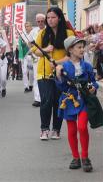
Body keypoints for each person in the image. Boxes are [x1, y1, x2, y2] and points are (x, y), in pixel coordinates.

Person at [55, 36, 99, 172]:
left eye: (83, 47)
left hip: (84, 100)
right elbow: (61, 87)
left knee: (82, 127)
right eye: (79, 47)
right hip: (69, 101)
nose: (82, 49)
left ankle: (85, 157)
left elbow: (93, 81)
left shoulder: (87, 65)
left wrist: (93, 87)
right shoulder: (65, 66)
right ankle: (76, 157)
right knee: (72, 130)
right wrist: (58, 75)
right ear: (70, 50)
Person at [30, 7, 74, 140]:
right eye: (48, 17)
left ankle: (56, 129)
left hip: (62, 73)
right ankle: (44, 129)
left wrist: (58, 62)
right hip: (44, 73)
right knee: (46, 101)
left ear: (59, 18)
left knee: (58, 102)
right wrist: (45, 49)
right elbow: (35, 50)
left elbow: (72, 54)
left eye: (53, 17)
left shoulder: (68, 33)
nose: (50, 20)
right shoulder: (43, 34)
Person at [31, 14, 46, 107]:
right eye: (38, 21)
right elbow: (30, 43)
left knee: (46, 79)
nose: (40, 23)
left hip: (47, 57)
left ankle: (45, 97)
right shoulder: (33, 31)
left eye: (42, 21)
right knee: (37, 78)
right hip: (36, 58)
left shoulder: (49, 30)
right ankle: (37, 99)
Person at [19, 22, 34, 93]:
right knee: (24, 72)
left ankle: (31, 84)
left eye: (28, 26)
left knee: (31, 72)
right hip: (25, 56)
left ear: (31, 27)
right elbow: (20, 46)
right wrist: (20, 56)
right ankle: (26, 87)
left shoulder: (34, 34)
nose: (27, 28)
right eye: (26, 26)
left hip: (32, 55)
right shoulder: (22, 35)